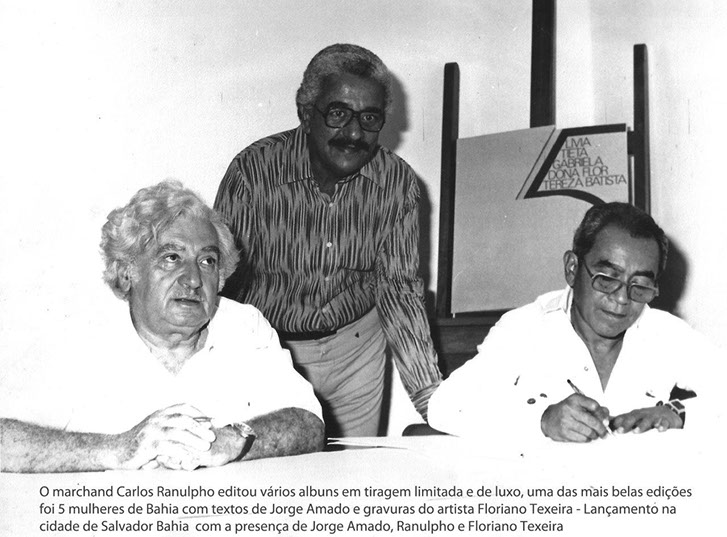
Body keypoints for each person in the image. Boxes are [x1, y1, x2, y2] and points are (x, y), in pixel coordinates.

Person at [0, 181, 324, 473]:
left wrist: (232, 441)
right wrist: (117, 449)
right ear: (127, 272)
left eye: (207, 261)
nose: (194, 279)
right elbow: (4, 438)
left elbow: (309, 424)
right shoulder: (77, 333)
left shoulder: (244, 327)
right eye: (171, 258)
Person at [214, 43, 442, 437]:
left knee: (351, 472)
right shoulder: (253, 172)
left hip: (357, 354)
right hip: (271, 352)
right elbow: (223, 283)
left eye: (369, 118)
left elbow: (400, 290)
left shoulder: (397, 183)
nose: (354, 133)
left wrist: (433, 404)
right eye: (338, 114)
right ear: (306, 112)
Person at [428, 202, 721, 443]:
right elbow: (444, 407)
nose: (621, 299)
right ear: (572, 268)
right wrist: (542, 420)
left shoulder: (666, 333)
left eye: (640, 286)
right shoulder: (525, 328)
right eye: (606, 279)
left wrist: (678, 413)